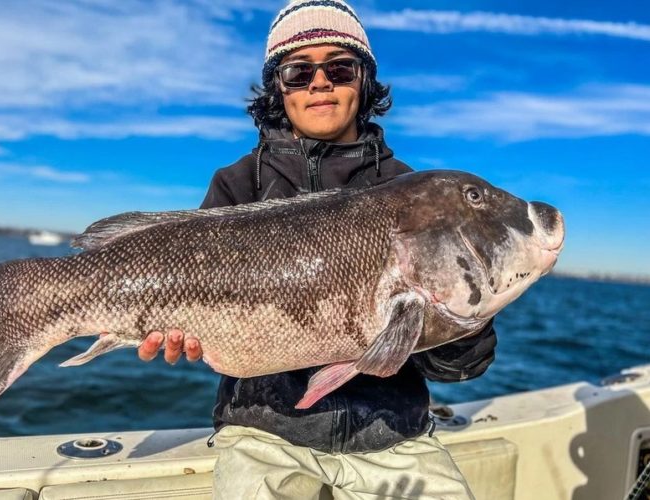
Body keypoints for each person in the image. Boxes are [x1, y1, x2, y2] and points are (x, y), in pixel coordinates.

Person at [136, 1, 496, 498]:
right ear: (277, 88)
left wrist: (466, 316)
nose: (319, 82)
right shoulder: (237, 184)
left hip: (393, 435)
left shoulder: (413, 191)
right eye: (298, 71)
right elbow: (193, 318)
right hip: (263, 433)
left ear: (363, 80)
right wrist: (179, 337)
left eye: (339, 68)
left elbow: (461, 369)